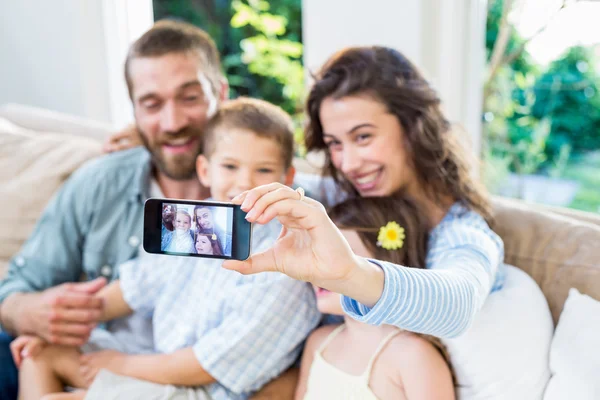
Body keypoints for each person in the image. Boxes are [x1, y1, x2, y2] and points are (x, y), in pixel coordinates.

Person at [10, 97, 320, 400]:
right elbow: (139, 284)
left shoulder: (285, 255)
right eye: (229, 166)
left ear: (288, 177)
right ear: (205, 170)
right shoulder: (200, 219)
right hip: (159, 361)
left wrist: (121, 365)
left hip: (208, 388)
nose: (245, 183)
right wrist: (61, 323)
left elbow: (210, 363)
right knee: (39, 355)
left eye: (264, 171)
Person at [0, 20, 227, 399]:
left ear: (221, 93)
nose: (172, 122)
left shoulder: (256, 191)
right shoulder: (101, 181)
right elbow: (16, 287)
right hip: (93, 364)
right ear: (134, 110)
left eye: (190, 98)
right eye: (152, 104)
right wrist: (26, 310)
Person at [223, 46, 506, 340]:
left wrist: (348, 274)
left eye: (363, 137)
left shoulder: (461, 231)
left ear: (414, 126)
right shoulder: (335, 196)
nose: (349, 163)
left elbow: (457, 307)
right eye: (335, 144)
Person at [297, 195, 454, 400]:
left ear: (384, 266)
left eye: (338, 257)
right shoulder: (318, 343)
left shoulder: (413, 357)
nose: (322, 269)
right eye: (318, 254)